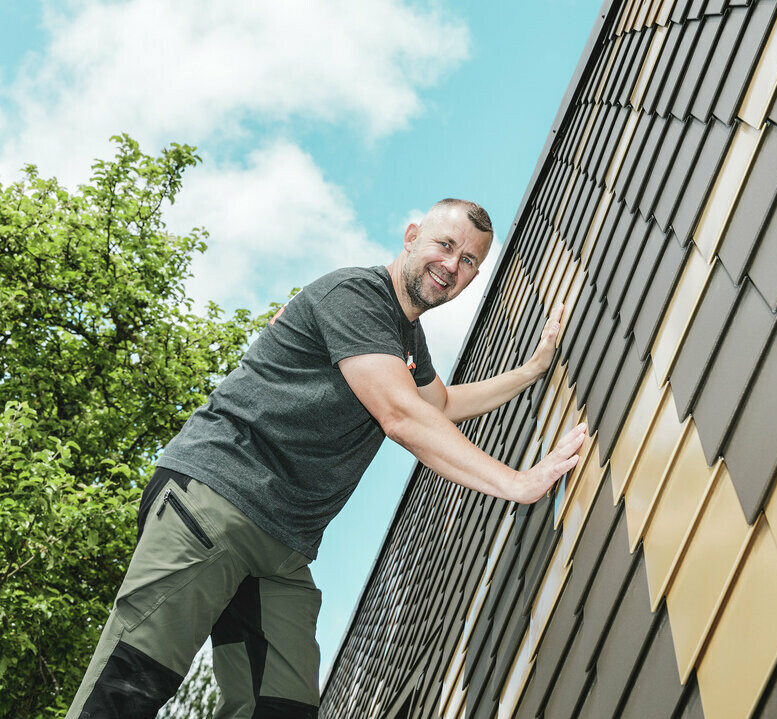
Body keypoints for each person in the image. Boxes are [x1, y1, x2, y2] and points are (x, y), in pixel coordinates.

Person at [67, 199, 586, 717]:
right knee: (129, 687)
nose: (452, 265)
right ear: (411, 237)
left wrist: (531, 371)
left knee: (282, 708)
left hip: (282, 549)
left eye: (469, 260)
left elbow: (441, 406)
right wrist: (518, 483)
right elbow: (402, 416)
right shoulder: (356, 295)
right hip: (215, 503)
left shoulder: (405, 338)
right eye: (445, 245)